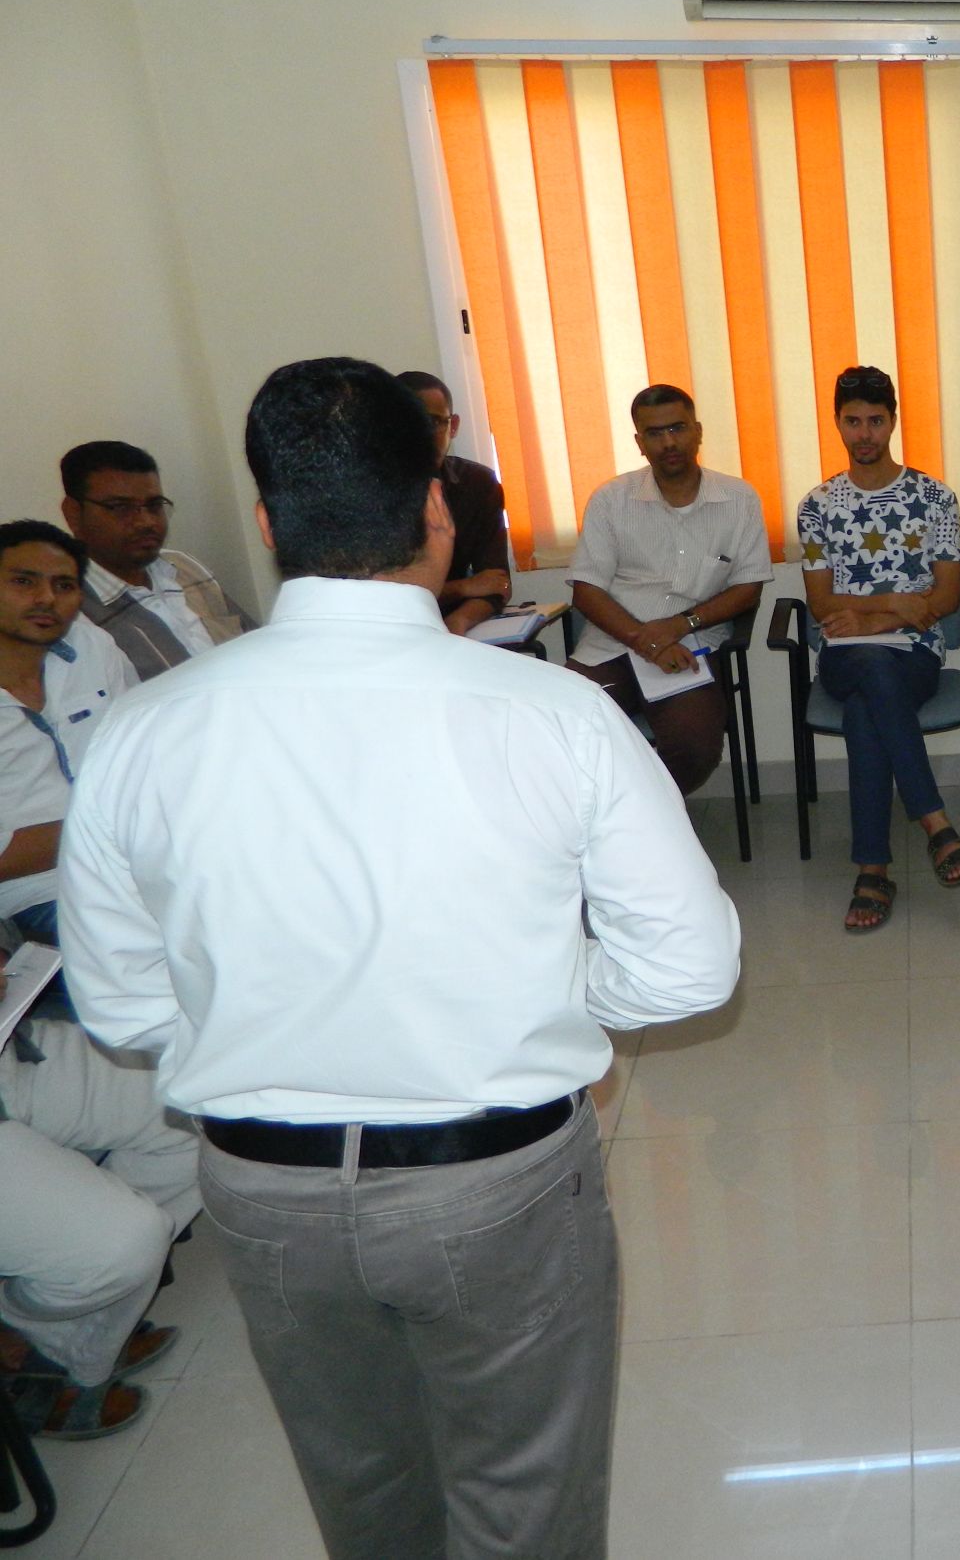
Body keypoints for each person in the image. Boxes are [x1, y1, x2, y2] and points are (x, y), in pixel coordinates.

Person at [58, 356, 743, 1560]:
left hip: (263, 1195)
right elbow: (688, 969)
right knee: (524, 1503)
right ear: (435, 511)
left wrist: (273, 1029)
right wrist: (545, 994)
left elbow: (121, 1003)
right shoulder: (553, 714)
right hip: (496, 1186)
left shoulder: (142, 729)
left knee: (367, 1500)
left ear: (266, 523)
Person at [1, 920, 198, 1442]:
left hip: (7, 1056)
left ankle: (59, 1335)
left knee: (202, 1098)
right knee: (124, 1244)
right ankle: (41, 1329)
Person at [797, 364, 960, 932]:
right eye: (853, 422)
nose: (865, 434)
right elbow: (821, 603)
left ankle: (873, 868)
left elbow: (945, 598)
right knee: (871, 669)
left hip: (916, 653)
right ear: (837, 423)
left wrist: (872, 616)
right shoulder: (817, 505)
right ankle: (934, 822)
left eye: (876, 421)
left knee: (865, 709)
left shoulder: (935, 498)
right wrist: (897, 603)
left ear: (894, 421)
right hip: (842, 654)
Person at [568, 383, 774, 795]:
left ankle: (638, 814)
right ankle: (616, 817)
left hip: (692, 646)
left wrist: (678, 626)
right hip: (612, 646)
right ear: (639, 443)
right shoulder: (611, 500)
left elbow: (748, 588)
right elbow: (586, 591)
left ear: (698, 431)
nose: (668, 443)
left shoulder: (739, 499)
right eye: (655, 433)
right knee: (567, 729)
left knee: (695, 747)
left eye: (678, 428)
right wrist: (646, 641)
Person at [0, 519, 136, 945]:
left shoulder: (92, 647)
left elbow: (147, 754)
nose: (46, 599)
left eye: (64, 585)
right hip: (44, 893)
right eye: (24, 581)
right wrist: (114, 819)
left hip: (144, 861)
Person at [60, 440, 256, 681]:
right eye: (121, 508)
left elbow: (258, 645)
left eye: (154, 506)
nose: (146, 522)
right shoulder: (70, 611)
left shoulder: (184, 568)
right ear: (73, 513)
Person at [393, 371, 513, 636]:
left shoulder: (478, 483)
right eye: (411, 423)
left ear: (454, 425)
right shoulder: (366, 490)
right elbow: (381, 597)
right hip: (384, 630)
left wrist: (459, 622)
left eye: (435, 422)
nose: (424, 435)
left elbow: (496, 583)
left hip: (453, 622)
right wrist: (463, 587)